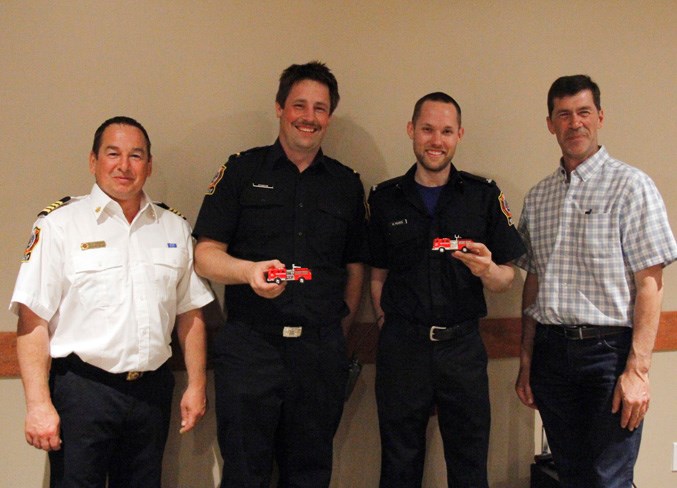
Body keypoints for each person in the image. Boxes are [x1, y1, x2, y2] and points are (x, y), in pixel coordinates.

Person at [10, 116, 214, 488]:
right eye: (113, 153)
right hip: (83, 391)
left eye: (136, 156)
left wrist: (196, 384)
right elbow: (32, 321)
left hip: (151, 392)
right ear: (93, 161)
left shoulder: (174, 228)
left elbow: (190, 314)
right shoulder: (59, 225)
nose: (124, 165)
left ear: (149, 166)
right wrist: (38, 405)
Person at [193, 61, 367, 488]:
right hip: (251, 348)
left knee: (309, 474)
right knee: (243, 473)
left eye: (320, 108)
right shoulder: (241, 171)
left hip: (320, 354)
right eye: (299, 105)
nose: (309, 117)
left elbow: (355, 268)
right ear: (279, 108)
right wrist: (248, 271)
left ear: (329, 117)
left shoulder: (346, 184)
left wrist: (336, 332)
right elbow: (204, 256)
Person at [514, 75, 677, 487]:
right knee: (568, 476)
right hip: (551, 355)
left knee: (609, 479)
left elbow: (650, 284)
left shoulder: (632, 186)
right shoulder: (538, 197)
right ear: (550, 124)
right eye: (563, 115)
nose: (575, 123)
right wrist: (527, 359)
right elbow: (533, 284)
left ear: (600, 117)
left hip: (609, 356)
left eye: (584, 112)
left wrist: (638, 371)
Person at [367, 92, 526, 487]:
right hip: (403, 347)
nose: (436, 140)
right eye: (427, 129)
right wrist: (386, 321)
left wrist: (489, 271)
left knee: (469, 464)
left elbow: (509, 275)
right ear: (411, 131)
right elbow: (377, 273)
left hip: (462, 347)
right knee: (399, 464)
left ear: (459, 136)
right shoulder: (385, 198)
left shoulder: (483, 195)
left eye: (446, 131)